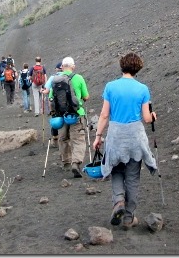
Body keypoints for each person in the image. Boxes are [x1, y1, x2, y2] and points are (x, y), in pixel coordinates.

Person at [92, 52, 157, 230]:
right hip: (135, 137)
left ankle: (118, 201)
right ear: (138, 68)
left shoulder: (110, 87)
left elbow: (105, 114)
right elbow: (146, 118)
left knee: (117, 171)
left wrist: (98, 136)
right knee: (133, 177)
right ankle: (128, 218)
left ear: (122, 66)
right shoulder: (143, 89)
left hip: (116, 136)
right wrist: (153, 116)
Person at [49, 56, 89, 178]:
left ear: (62, 66)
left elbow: (51, 98)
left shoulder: (55, 80)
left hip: (61, 115)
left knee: (63, 138)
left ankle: (66, 162)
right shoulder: (78, 78)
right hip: (76, 114)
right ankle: (75, 163)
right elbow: (86, 97)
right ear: (73, 66)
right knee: (78, 140)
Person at [42, 62, 63, 147]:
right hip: (66, 102)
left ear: (56, 69)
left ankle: (55, 139)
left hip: (54, 101)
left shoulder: (52, 78)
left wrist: (42, 91)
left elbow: (46, 91)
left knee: (55, 118)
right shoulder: (69, 76)